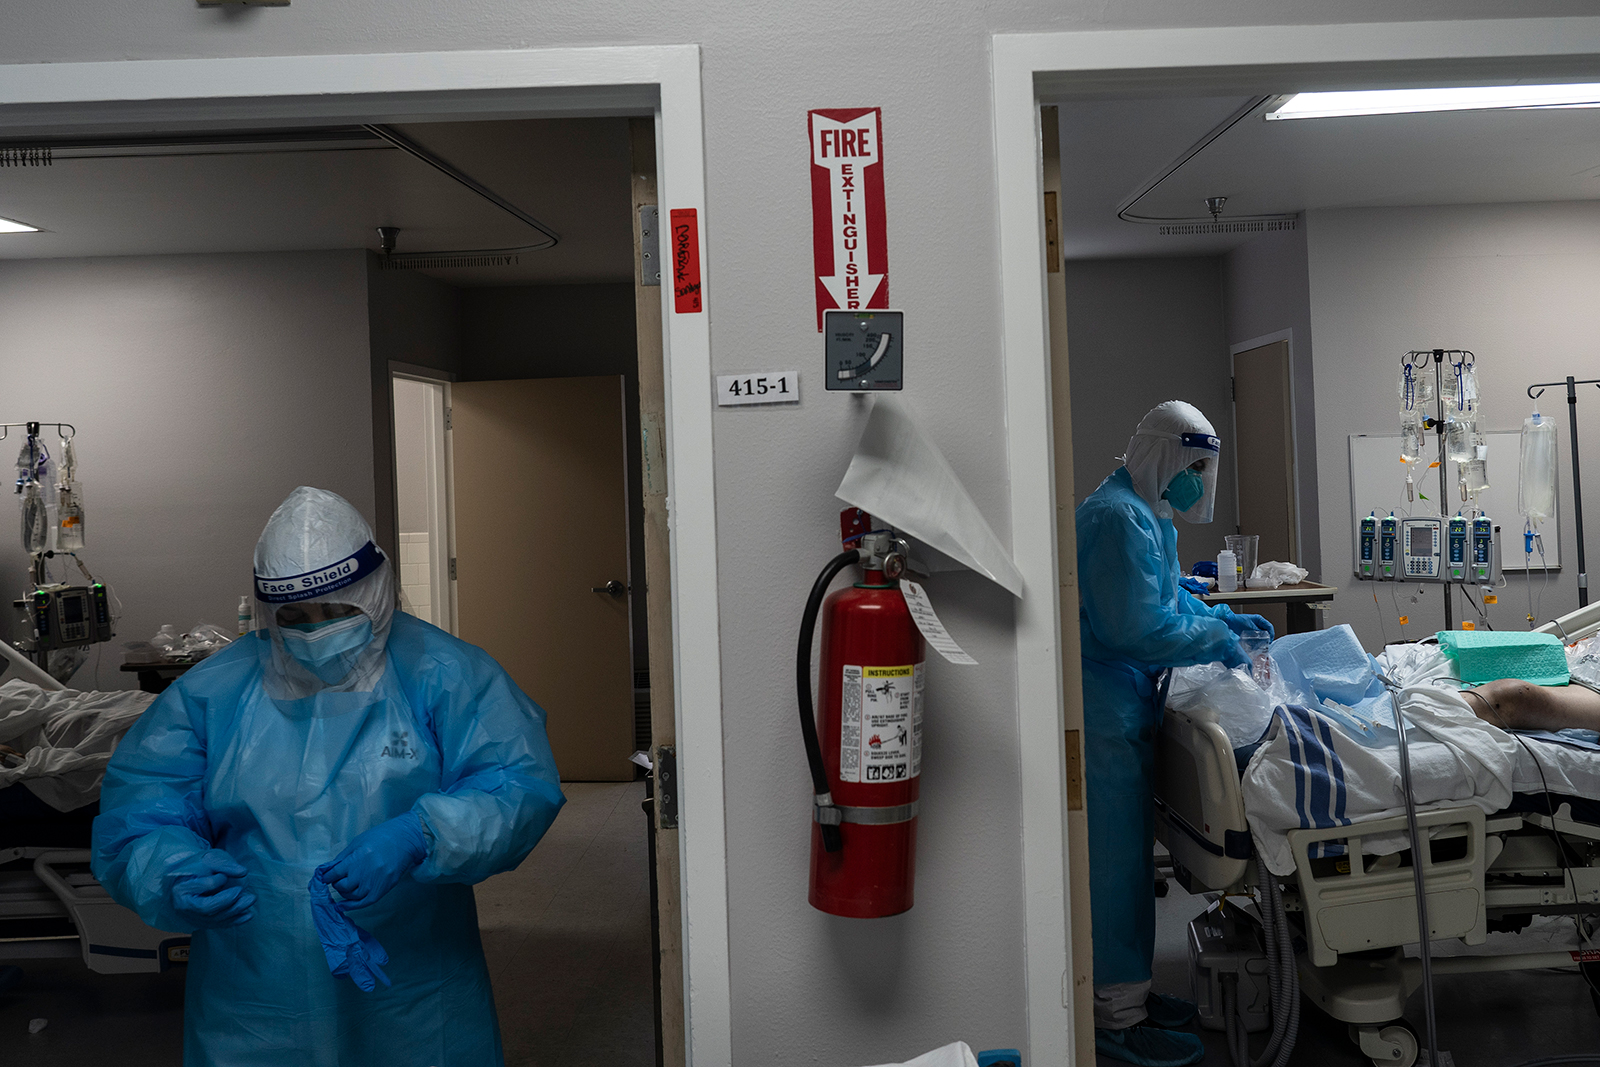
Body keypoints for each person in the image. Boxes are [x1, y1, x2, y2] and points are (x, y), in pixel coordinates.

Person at [92, 486, 565, 1067]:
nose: (316, 632)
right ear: (269, 611)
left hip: (412, 964)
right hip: (256, 975)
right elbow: (141, 805)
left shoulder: (446, 673)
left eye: (338, 612)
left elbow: (518, 785)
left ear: (374, 592)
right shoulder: (211, 693)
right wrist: (170, 871)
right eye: (295, 617)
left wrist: (422, 833)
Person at [1077, 401, 1273, 1067]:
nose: (1195, 479)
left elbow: (1167, 602)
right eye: (1190, 465)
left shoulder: (1148, 512)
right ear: (1162, 455)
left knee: (1129, 862)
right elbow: (1133, 627)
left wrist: (1220, 616)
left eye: (1202, 468)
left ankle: (1130, 993)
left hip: (1129, 701)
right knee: (1113, 868)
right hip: (1103, 708)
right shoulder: (1114, 517)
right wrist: (1216, 638)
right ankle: (1115, 1019)